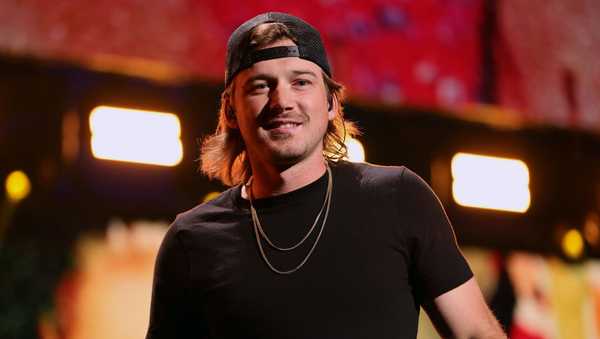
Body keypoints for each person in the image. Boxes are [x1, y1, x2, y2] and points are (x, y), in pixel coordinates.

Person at [146, 12, 507, 339]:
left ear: (332, 103)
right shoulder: (191, 241)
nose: (281, 101)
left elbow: (476, 333)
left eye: (301, 82)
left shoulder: (397, 198)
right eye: (260, 86)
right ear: (230, 109)